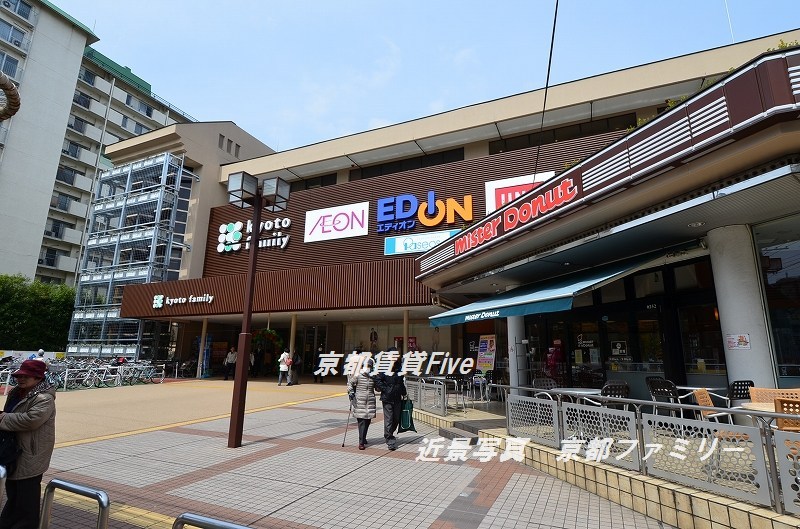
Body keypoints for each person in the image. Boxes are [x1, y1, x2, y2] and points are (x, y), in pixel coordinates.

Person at [0, 359, 56, 528]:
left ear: (38, 378)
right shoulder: (16, 392)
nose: (20, 379)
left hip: (31, 453)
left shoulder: (44, 398)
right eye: (19, 376)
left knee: (27, 499)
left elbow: (31, 420)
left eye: (26, 376)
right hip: (13, 449)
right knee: (14, 493)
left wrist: (2, 418)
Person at [373, 350, 407, 451]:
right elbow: (377, 380)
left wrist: (404, 392)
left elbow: (401, 382)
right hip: (387, 398)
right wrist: (386, 389)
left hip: (397, 397)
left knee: (396, 419)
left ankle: (389, 433)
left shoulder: (399, 367)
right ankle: (390, 440)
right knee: (389, 419)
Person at [347, 356, 376, 450]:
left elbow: (377, 388)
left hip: (370, 401)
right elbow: (350, 384)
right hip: (360, 401)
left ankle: (363, 437)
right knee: (361, 422)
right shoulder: (358, 375)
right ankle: (361, 442)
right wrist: (351, 392)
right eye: (366, 365)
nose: (368, 367)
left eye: (369, 366)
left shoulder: (373, 377)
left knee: (368, 421)